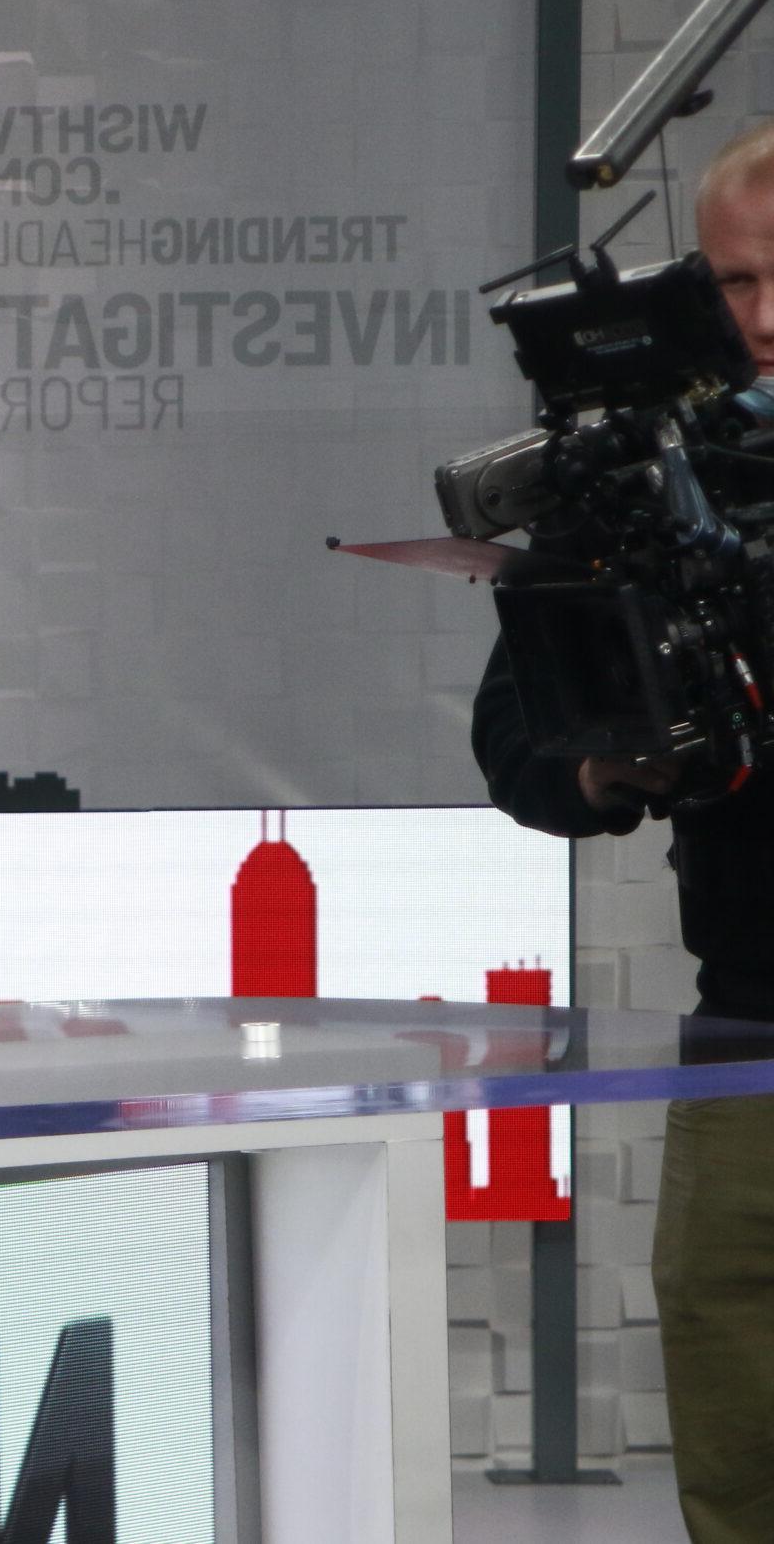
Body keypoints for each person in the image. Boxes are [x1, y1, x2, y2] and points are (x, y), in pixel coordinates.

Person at [474, 118, 774, 1544]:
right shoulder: (639, 482)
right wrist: (607, 767)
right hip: (750, 1027)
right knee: (730, 1417)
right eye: (731, 282)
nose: (762, 319)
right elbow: (517, 735)